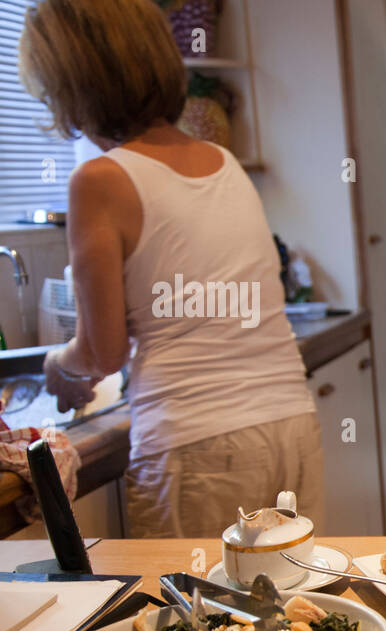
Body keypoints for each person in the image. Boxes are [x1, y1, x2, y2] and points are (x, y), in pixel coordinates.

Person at [19, 0, 323, 538]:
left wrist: (57, 367)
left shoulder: (99, 181)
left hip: (198, 448)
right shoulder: (222, 163)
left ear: (73, 86)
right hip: (290, 428)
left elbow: (100, 352)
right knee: (290, 613)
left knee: (200, 620)